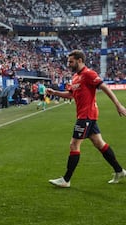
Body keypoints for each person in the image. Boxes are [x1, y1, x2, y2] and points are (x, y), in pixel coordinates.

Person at [47, 49, 126, 188]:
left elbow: (104, 87)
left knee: (74, 145)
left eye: (71, 61)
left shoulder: (89, 74)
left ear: (80, 60)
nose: (68, 64)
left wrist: (118, 105)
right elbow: (70, 94)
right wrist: (55, 92)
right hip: (85, 116)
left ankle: (66, 180)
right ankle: (119, 171)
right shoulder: (75, 77)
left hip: (86, 116)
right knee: (99, 143)